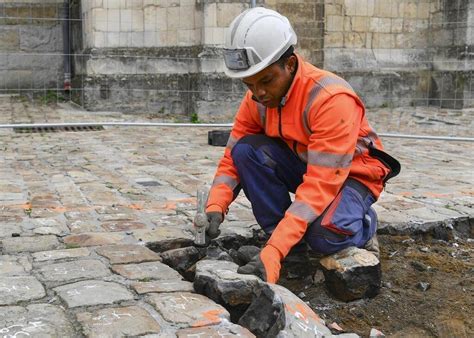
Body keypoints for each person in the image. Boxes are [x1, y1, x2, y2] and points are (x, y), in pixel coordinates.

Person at [197, 7, 400, 283]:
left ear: (290, 64)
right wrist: (215, 206)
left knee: (325, 235)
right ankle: (288, 247)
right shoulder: (257, 99)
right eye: (249, 84)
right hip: (308, 165)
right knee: (246, 151)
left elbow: (319, 187)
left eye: (266, 80)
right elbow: (233, 157)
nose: (259, 93)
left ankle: (363, 226)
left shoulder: (330, 99)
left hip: (353, 175)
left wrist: (274, 252)